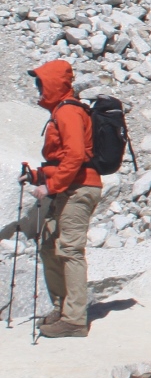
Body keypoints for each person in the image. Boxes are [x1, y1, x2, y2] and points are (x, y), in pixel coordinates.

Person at [25, 60, 102, 339]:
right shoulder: (62, 110)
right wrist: (38, 176)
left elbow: (76, 156)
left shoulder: (68, 111)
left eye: (42, 83)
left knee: (70, 250)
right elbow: (62, 159)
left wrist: (50, 187)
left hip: (78, 189)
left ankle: (74, 320)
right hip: (70, 188)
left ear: (54, 84)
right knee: (49, 246)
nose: (39, 89)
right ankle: (62, 308)